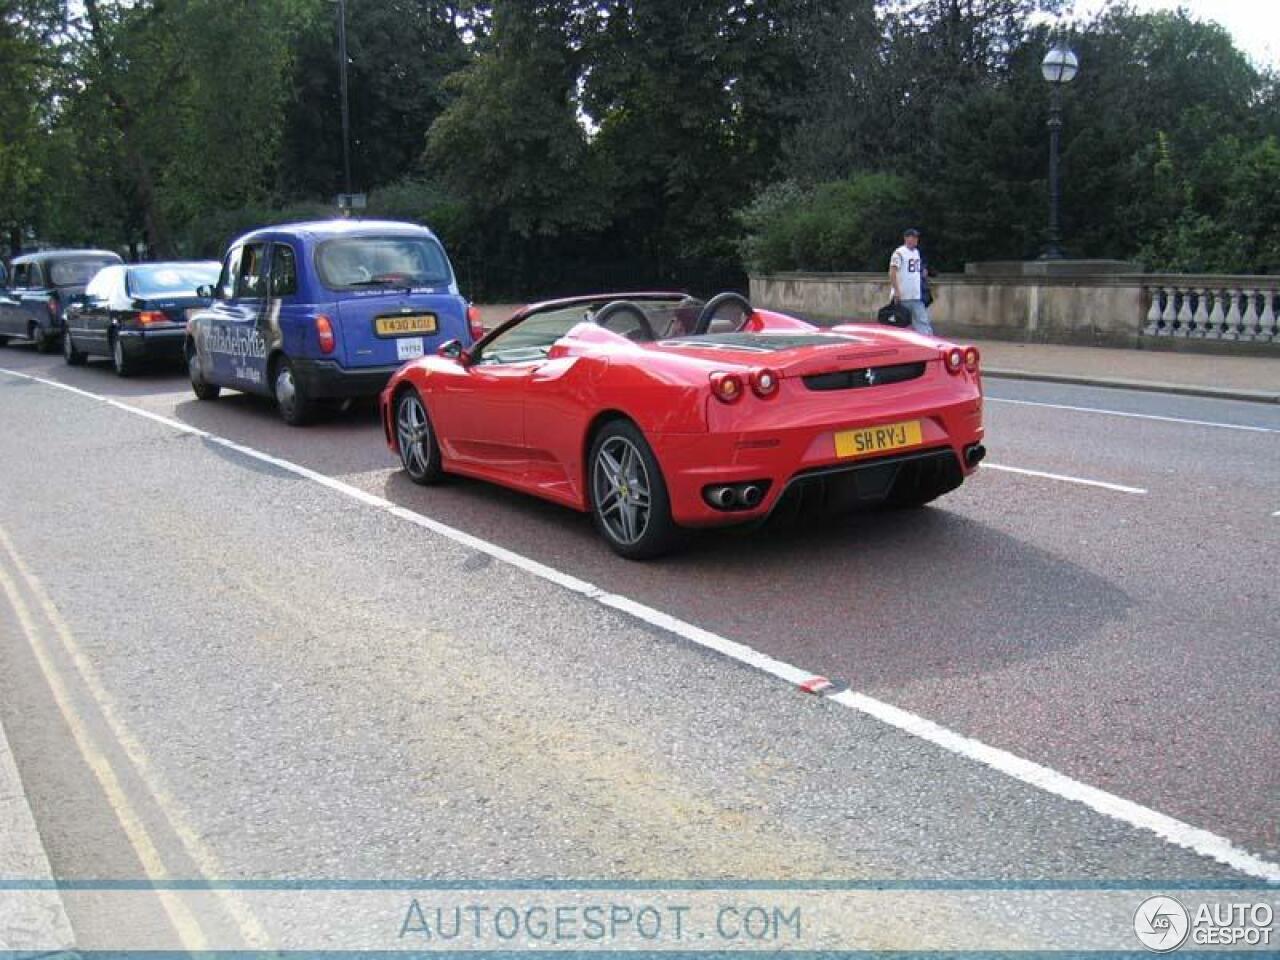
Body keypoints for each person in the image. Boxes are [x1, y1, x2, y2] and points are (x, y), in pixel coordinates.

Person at [889, 227, 933, 336]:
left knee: (923, 322)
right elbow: (892, 272)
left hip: (916, 296)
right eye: (912, 237)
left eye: (916, 237)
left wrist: (923, 272)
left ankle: (929, 345)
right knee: (900, 324)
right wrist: (896, 291)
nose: (915, 239)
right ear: (906, 238)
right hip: (903, 296)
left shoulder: (916, 252)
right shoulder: (899, 252)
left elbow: (913, 270)